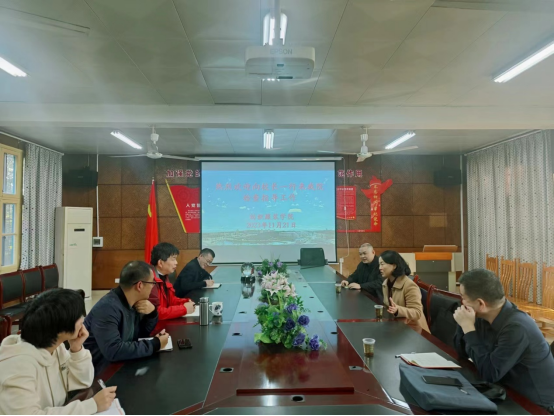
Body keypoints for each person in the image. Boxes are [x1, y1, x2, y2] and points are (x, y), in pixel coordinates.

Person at [0, 289, 117, 415]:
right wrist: (91, 406)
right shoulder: (18, 366)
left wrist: (76, 349)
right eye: (78, 316)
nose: (83, 320)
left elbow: (82, 382)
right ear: (60, 329)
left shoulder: (54, 346)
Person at [454, 269, 554, 412]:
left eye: (463, 297)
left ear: (481, 304)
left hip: (533, 405)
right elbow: (462, 353)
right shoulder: (483, 316)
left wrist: (468, 328)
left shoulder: (516, 328)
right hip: (503, 389)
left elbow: (489, 373)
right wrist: (463, 324)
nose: (462, 302)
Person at [84, 261, 169, 375]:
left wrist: (152, 313)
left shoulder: (131, 302)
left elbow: (140, 333)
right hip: (100, 373)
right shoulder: (107, 308)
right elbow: (113, 350)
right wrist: (155, 344)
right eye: (152, 282)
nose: (153, 286)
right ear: (140, 285)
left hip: (120, 365)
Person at [380, 250, 430, 332]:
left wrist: (398, 310)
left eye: (382, 264)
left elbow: (417, 312)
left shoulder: (409, 285)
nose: (380, 268)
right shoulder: (385, 283)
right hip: (398, 327)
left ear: (394, 266)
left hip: (414, 331)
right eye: (379, 264)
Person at [149, 242, 196, 320]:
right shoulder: (149, 280)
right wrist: (184, 309)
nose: (176, 263)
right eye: (173, 259)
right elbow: (156, 313)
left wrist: (185, 301)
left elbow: (171, 300)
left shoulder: (164, 276)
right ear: (160, 263)